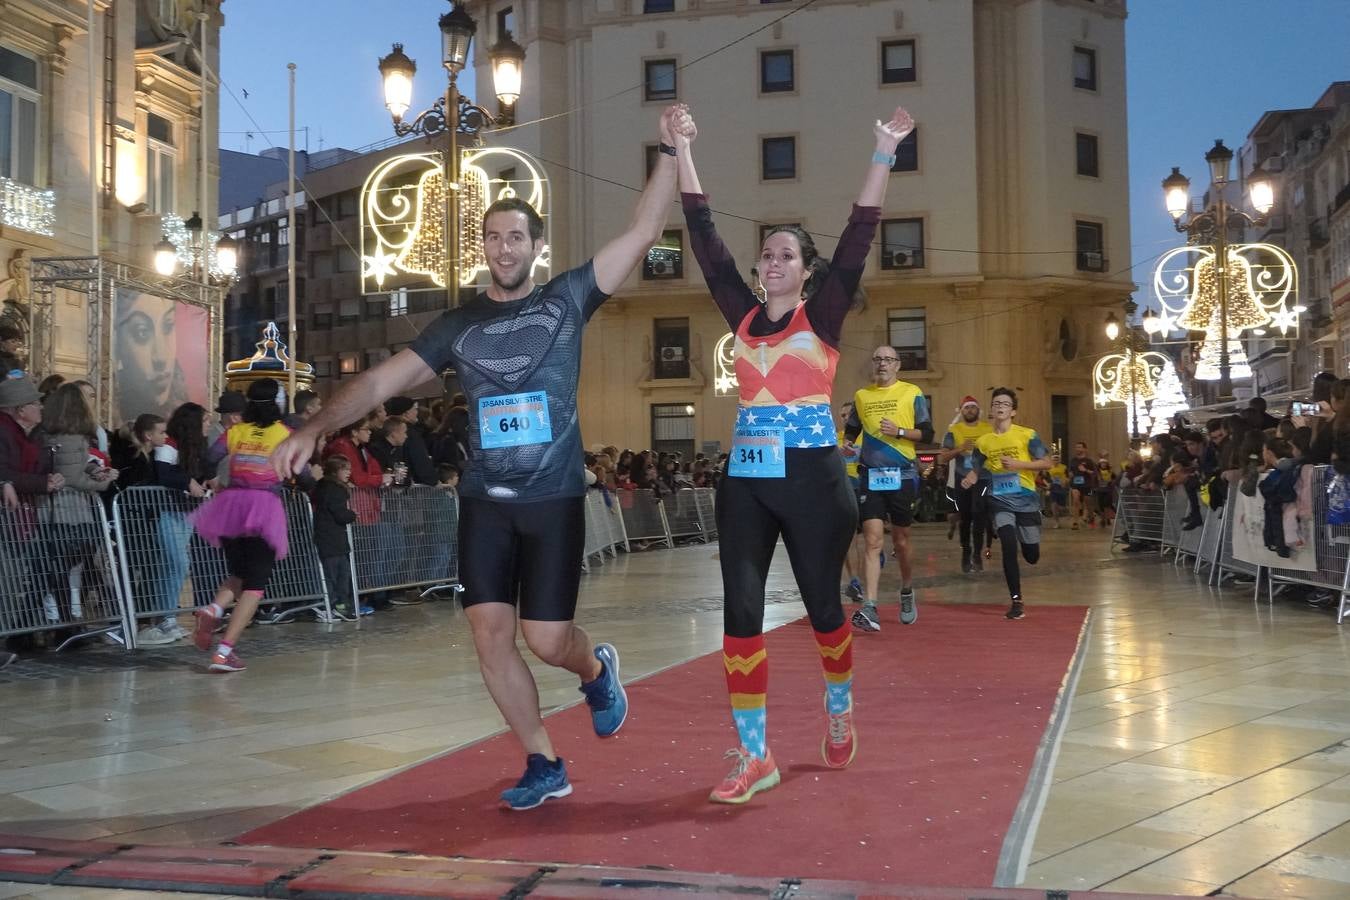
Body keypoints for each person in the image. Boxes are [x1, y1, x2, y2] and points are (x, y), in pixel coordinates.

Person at [272, 105, 690, 812]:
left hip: (553, 499)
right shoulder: (457, 327)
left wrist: (671, 151)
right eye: (493, 238)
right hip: (486, 504)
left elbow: (644, 232)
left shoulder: (567, 300)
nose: (503, 248)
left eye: (516, 236)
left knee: (547, 638)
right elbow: (380, 381)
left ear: (535, 245)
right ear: (483, 247)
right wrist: (315, 425)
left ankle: (595, 668)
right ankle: (543, 761)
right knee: (489, 634)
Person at [674, 101, 913, 802]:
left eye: (787, 254)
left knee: (823, 610)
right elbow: (702, 235)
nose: (772, 261)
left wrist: (883, 151)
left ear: (805, 271)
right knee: (739, 611)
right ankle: (755, 756)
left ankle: (839, 706)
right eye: (767, 253)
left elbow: (861, 233)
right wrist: (682, 149)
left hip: (814, 481)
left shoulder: (824, 314)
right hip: (746, 481)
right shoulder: (741, 314)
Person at [189, 378, 293, 673]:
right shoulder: (284, 433)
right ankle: (224, 652)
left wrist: (216, 482)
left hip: (231, 505)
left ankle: (214, 609)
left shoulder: (236, 431)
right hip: (263, 507)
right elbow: (301, 470)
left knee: (239, 572)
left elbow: (209, 459)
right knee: (256, 584)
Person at [844, 345, 933, 632]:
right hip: (871, 475)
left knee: (901, 541)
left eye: (888, 359)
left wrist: (900, 432)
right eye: (878, 359)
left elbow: (927, 433)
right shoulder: (862, 396)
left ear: (897, 365)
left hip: (902, 475)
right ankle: (870, 607)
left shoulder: (912, 393)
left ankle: (907, 589)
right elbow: (852, 430)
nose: (882, 364)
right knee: (872, 541)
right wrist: (847, 444)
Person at [962, 388, 1052, 621]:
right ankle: (1016, 600)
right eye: (996, 403)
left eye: (1005, 403)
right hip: (999, 498)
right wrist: (971, 476)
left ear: (1013, 411)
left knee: (1032, 555)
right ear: (992, 410)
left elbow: (1046, 462)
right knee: (1008, 544)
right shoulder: (983, 442)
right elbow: (977, 467)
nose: (1000, 406)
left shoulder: (1027, 435)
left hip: (1026, 498)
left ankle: (1029, 541)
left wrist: (1018, 464)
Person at [37, 383, 118, 624]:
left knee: (62, 568)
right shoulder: (72, 437)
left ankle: (66, 617)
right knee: (66, 567)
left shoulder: (54, 434)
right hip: (67, 512)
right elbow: (73, 478)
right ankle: (65, 618)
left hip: (60, 510)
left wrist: (93, 469)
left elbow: (75, 466)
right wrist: (102, 483)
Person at [114, 291, 190, 423]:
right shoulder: (112, 416)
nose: (160, 358)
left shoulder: (184, 409)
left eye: (168, 326)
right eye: (142, 332)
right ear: (117, 342)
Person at [939, 396, 993, 571]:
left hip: (982, 478)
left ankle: (977, 554)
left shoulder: (988, 428)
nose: (970, 410)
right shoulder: (954, 430)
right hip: (962, 480)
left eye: (973, 407)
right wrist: (960, 448)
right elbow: (943, 456)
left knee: (979, 516)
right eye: (967, 408)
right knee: (965, 517)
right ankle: (965, 553)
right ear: (961, 411)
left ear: (978, 410)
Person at [311, 455, 358, 622]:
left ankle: (336, 605)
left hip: (329, 538)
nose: (348, 472)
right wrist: (352, 515)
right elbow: (339, 513)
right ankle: (336, 605)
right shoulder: (334, 489)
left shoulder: (323, 487)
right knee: (338, 575)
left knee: (336, 574)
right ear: (335, 471)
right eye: (344, 469)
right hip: (332, 538)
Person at [835, 401, 864, 602]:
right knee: (848, 538)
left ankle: (877, 555)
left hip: (866, 488)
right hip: (844, 490)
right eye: (843, 415)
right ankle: (854, 581)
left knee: (871, 536)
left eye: (849, 415)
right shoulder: (833, 438)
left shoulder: (867, 436)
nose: (846, 418)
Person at [1068, 441, 1097, 529]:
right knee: (1076, 501)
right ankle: (1075, 522)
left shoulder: (1089, 461)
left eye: (1080, 447)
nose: (1078, 449)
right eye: (1077, 447)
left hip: (1086, 485)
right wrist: (1070, 474)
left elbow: (1094, 473)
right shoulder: (1073, 460)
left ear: (1084, 449)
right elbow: (1070, 470)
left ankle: (1091, 518)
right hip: (1075, 484)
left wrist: (1085, 470)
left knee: (1088, 503)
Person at [1045, 454, 1069, 528]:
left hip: (1062, 489)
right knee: (1054, 505)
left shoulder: (1064, 467)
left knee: (1062, 508)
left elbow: (1068, 477)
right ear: (1052, 460)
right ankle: (1056, 522)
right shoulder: (1049, 468)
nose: (1056, 461)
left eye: (1057, 459)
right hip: (1053, 488)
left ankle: (1064, 510)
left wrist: (1065, 482)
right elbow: (1045, 478)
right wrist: (1048, 486)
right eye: (1054, 459)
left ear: (1059, 460)